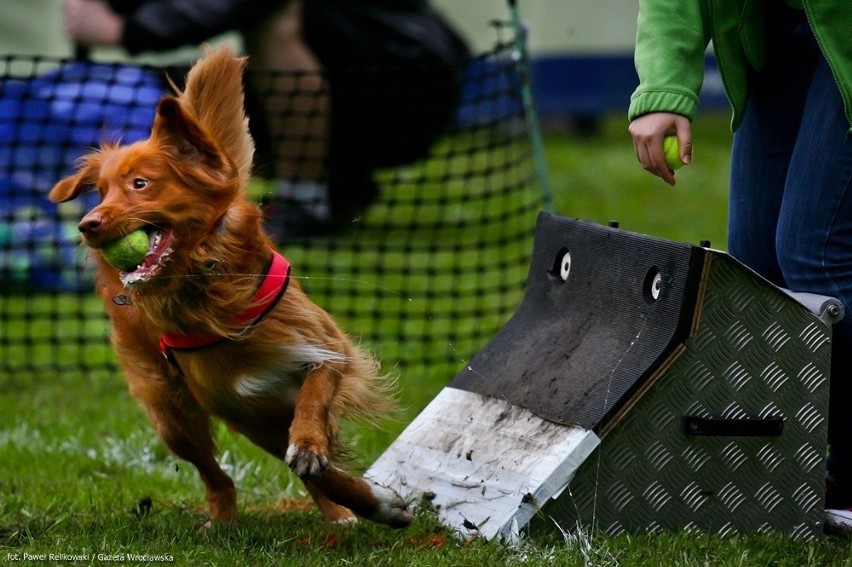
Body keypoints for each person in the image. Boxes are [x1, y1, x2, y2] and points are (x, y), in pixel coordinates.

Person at [628, 0, 852, 532]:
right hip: (769, 28)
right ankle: (786, 471)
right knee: (757, 269)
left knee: (814, 254)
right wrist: (663, 85)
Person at [62, 0, 469, 239]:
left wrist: (125, 30)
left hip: (405, 80)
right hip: (365, 73)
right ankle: (341, 185)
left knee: (275, 13)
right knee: (180, 87)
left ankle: (306, 200)